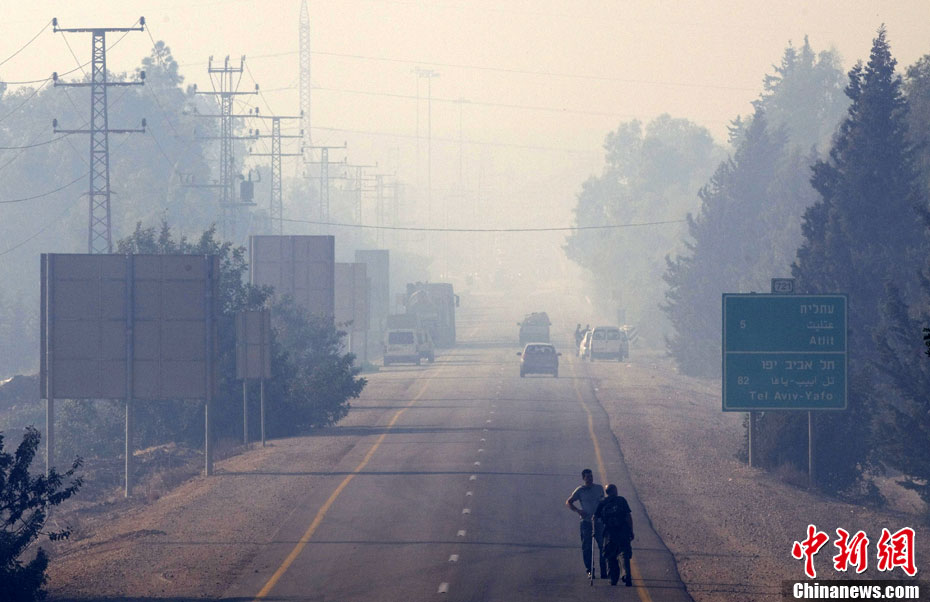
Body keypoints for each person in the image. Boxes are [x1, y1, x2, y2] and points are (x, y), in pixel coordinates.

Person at [565, 468, 607, 579]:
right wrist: (578, 511)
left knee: (603, 545)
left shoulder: (599, 488)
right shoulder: (580, 490)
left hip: (598, 522)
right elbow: (568, 502)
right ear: (583, 478)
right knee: (587, 547)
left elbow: (603, 502)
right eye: (588, 477)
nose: (590, 478)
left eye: (591, 476)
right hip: (586, 522)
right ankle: (590, 570)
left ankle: (604, 571)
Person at [594, 483, 634, 586]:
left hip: (609, 533)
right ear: (615, 490)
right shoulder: (621, 500)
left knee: (610, 555)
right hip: (623, 531)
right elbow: (628, 516)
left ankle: (613, 578)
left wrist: (595, 531)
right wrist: (631, 530)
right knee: (623, 553)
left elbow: (595, 518)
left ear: (607, 492)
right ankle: (626, 575)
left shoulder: (603, 502)